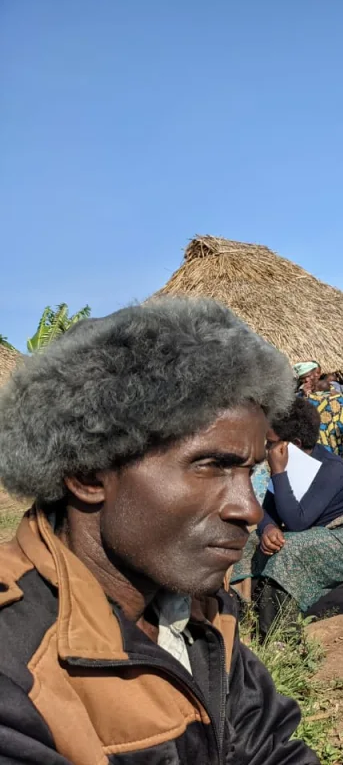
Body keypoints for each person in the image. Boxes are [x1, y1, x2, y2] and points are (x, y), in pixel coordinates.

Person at [0, 299, 317, 763]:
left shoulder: (198, 611)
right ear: (89, 473)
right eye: (211, 466)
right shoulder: (16, 667)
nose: (249, 509)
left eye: (250, 471)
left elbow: (271, 750)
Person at [231, 398, 343, 641]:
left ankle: (280, 638)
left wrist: (279, 473)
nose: (267, 449)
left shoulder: (331, 469)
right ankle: (242, 621)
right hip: (321, 533)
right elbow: (265, 510)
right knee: (249, 541)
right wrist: (269, 526)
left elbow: (297, 524)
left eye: (271, 443)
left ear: (293, 444)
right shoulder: (288, 464)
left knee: (288, 550)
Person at [294, 360, 343, 456]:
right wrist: (304, 396)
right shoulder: (300, 393)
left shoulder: (330, 389)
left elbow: (340, 404)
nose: (306, 380)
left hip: (334, 435)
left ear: (316, 374)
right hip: (314, 439)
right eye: (303, 378)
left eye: (308, 376)